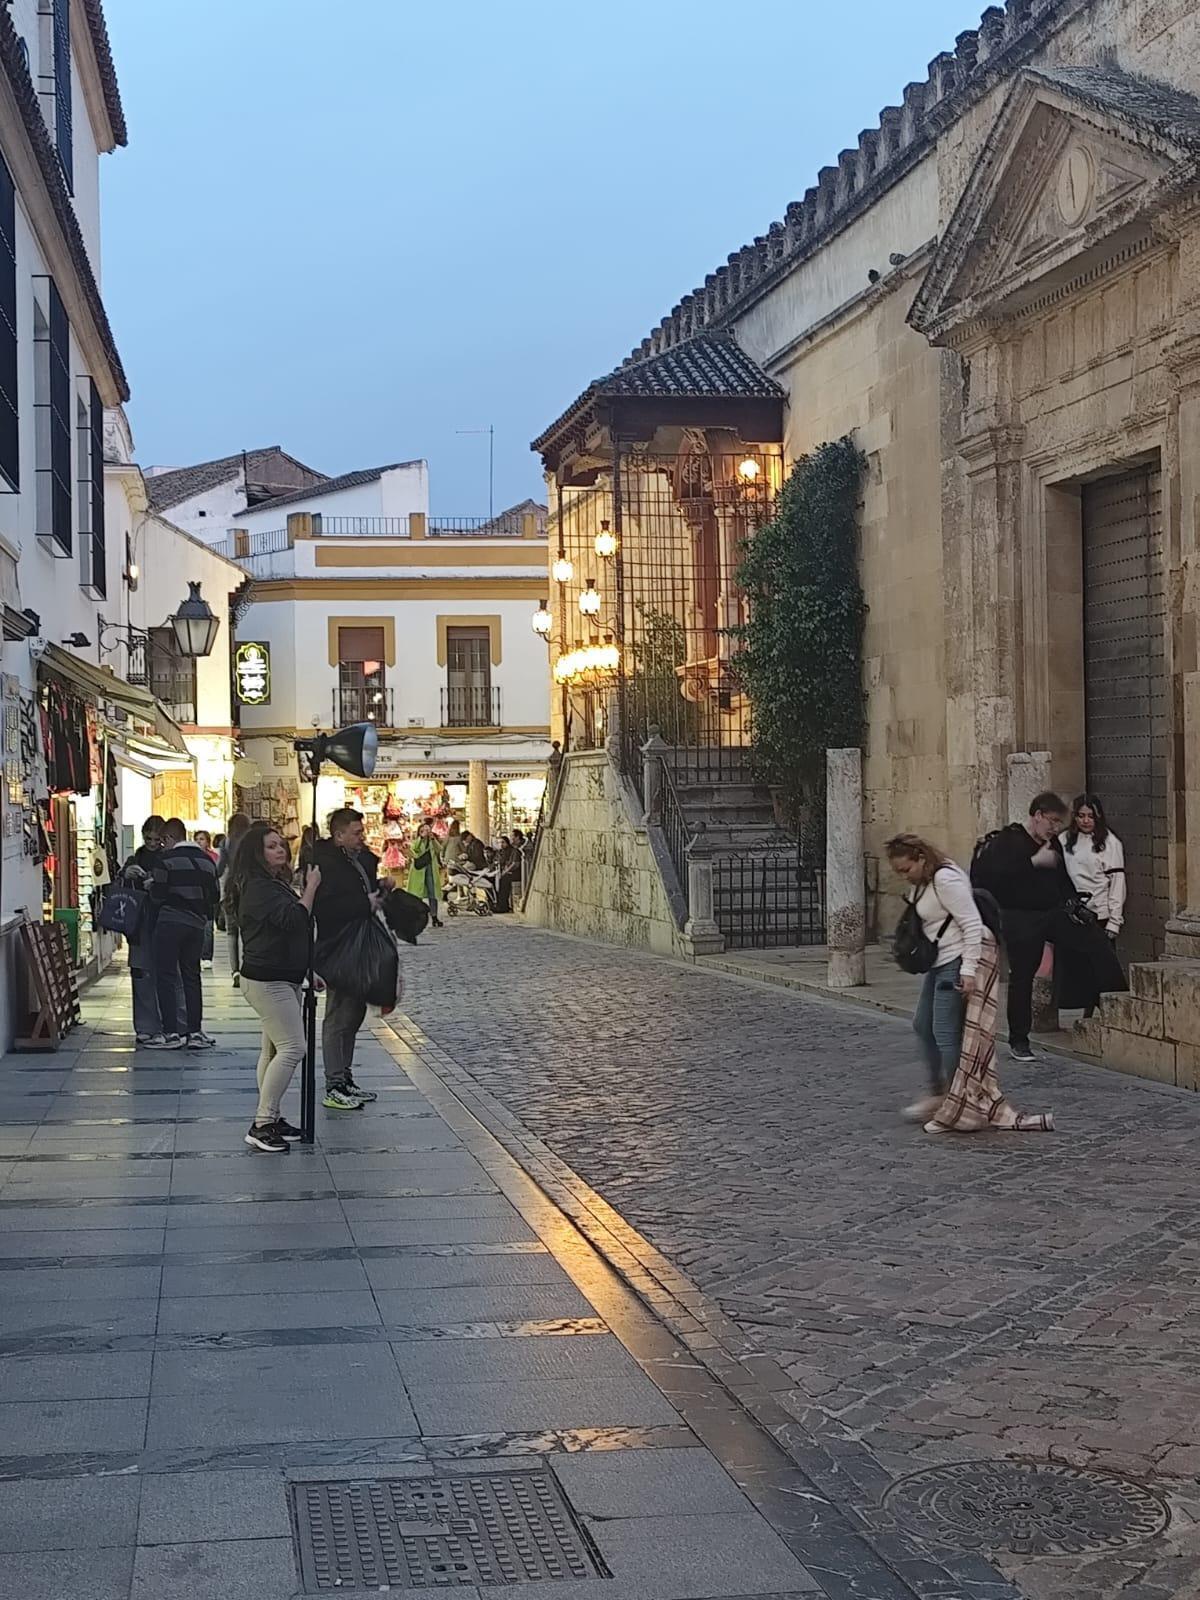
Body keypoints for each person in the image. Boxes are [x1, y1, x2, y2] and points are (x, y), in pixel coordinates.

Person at [888, 834, 1053, 1135]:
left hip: (956, 960)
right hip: (939, 963)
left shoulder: (946, 880)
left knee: (945, 1032)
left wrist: (968, 970)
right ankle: (939, 1090)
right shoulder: (923, 883)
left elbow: (972, 924)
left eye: (905, 869)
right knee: (922, 1025)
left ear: (921, 859)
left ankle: (960, 1101)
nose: (903, 876)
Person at [971, 791, 1126, 1062]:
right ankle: (1019, 1039)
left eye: (1058, 823)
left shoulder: (1052, 843)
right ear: (1038, 815)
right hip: (1020, 917)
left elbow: (1061, 879)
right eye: (1051, 821)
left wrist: (1075, 906)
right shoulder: (1008, 841)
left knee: (1096, 941)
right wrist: (1032, 863)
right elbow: (991, 878)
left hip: (1052, 913)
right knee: (1023, 975)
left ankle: (1120, 1006)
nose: (1055, 828)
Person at [225, 823, 322, 1153]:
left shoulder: (270, 883)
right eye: (271, 846)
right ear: (256, 852)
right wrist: (310, 888)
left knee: (273, 1051)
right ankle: (262, 1122)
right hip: (268, 980)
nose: (280, 850)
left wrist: (310, 969)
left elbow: (288, 932)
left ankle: (272, 1117)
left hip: (283, 976)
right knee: (294, 1047)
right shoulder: (258, 887)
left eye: (281, 845)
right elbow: (295, 920)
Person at [311, 808, 381, 1110]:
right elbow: (326, 908)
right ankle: (334, 1082)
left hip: (358, 946)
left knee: (353, 1015)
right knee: (338, 1017)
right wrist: (362, 903)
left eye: (361, 832)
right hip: (339, 948)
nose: (361, 837)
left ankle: (345, 1076)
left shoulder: (355, 861)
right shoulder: (327, 864)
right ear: (338, 835)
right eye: (356, 832)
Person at [150, 817, 220, 1050]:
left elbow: (158, 896)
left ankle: (170, 1033)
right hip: (196, 925)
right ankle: (195, 1031)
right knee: (192, 976)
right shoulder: (207, 861)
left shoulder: (166, 860)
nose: (161, 845)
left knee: (166, 977)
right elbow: (214, 897)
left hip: (170, 923)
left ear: (170, 838)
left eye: (163, 840)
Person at [1062, 793, 1128, 1018]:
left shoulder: (1110, 843)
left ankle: (1112, 1014)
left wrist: (1114, 921)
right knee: (1081, 970)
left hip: (1100, 914)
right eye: (1081, 816)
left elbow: (1117, 882)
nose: (1085, 821)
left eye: (1090, 816)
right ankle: (1087, 1013)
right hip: (1075, 914)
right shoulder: (1065, 841)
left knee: (1103, 970)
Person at [121, 815, 179, 1047]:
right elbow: (121, 888)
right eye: (148, 838)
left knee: (168, 976)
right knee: (142, 975)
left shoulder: (170, 859)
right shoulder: (135, 858)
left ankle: (171, 1025)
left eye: (157, 839)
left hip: (163, 922)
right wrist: (128, 876)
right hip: (140, 923)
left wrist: (158, 883)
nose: (152, 843)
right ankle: (146, 1026)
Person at [217, 813, 251, 986]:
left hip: (230, 888)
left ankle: (235, 971)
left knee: (232, 932)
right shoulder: (251, 842)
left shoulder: (226, 842)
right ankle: (246, 968)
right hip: (248, 887)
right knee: (247, 930)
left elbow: (220, 867)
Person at [405, 820, 443, 928]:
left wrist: (433, 839)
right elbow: (414, 849)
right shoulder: (418, 841)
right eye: (423, 830)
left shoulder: (432, 841)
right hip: (419, 871)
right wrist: (421, 838)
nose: (425, 832)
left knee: (433, 894)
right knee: (418, 894)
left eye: (427, 830)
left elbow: (439, 849)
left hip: (431, 870)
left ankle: (434, 916)